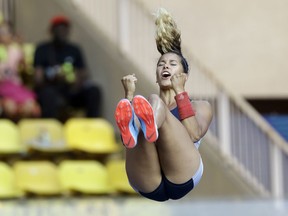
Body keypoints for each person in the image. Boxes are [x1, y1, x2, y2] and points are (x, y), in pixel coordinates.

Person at [114, 8, 213, 202]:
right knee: (145, 110)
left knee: (153, 102)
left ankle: (152, 127)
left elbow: (193, 134)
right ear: (157, 76)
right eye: (161, 64)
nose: (165, 66)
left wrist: (180, 93)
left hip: (184, 174)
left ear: (185, 75)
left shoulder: (201, 106)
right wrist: (129, 95)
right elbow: (127, 143)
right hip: (146, 180)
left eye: (172, 64)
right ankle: (148, 128)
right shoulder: (144, 105)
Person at [33, 15, 102, 121]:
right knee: (48, 95)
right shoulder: (42, 49)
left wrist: (74, 78)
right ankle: (51, 129)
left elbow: (84, 73)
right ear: (52, 30)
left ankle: (91, 127)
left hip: (71, 91)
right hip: (51, 89)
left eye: (65, 28)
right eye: (58, 28)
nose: (62, 31)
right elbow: (38, 79)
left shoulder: (74, 49)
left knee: (94, 90)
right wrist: (54, 76)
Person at [0, 21, 40, 120]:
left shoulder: (16, 51)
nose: (2, 35)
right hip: (2, 89)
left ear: (11, 35)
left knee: (30, 106)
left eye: (5, 32)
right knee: (10, 108)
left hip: (16, 87)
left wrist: (20, 46)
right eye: (0, 32)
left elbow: (25, 70)